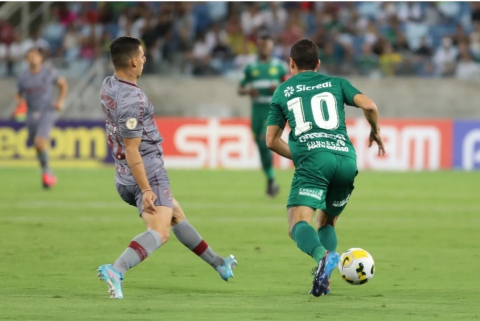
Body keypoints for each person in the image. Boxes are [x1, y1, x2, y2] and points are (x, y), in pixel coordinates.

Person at [98, 37, 237, 299]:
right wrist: (147, 188)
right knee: (160, 233)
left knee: (175, 215)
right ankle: (117, 269)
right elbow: (132, 148)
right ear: (133, 61)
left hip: (123, 175)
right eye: (142, 55)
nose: (145, 59)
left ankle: (219, 263)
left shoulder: (108, 85)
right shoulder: (132, 99)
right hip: (146, 172)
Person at [266, 39, 385, 297]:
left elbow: (271, 141)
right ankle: (326, 274)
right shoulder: (337, 83)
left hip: (314, 161)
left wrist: (302, 156)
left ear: (292, 64)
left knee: (297, 222)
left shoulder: (282, 91)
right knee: (327, 221)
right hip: (346, 159)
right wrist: (375, 132)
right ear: (318, 64)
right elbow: (370, 106)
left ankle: (324, 257)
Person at [238, 34, 288, 197]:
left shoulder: (279, 66)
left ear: (272, 47)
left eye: (267, 46)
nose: (264, 48)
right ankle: (270, 179)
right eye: (262, 45)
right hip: (256, 111)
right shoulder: (251, 67)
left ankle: (271, 179)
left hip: (273, 110)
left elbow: (289, 87)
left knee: (263, 139)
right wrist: (248, 91)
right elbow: (240, 88)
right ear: (258, 47)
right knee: (260, 145)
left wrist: (278, 89)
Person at [16, 47, 68, 188]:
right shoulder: (23, 76)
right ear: (27, 59)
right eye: (30, 55)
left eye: (35, 55)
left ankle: (46, 172)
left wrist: (60, 101)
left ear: (41, 58)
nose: (33, 58)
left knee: (40, 142)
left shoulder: (49, 72)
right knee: (37, 146)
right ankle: (47, 171)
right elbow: (19, 93)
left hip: (47, 111)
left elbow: (62, 84)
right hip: (30, 113)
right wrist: (19, 103)